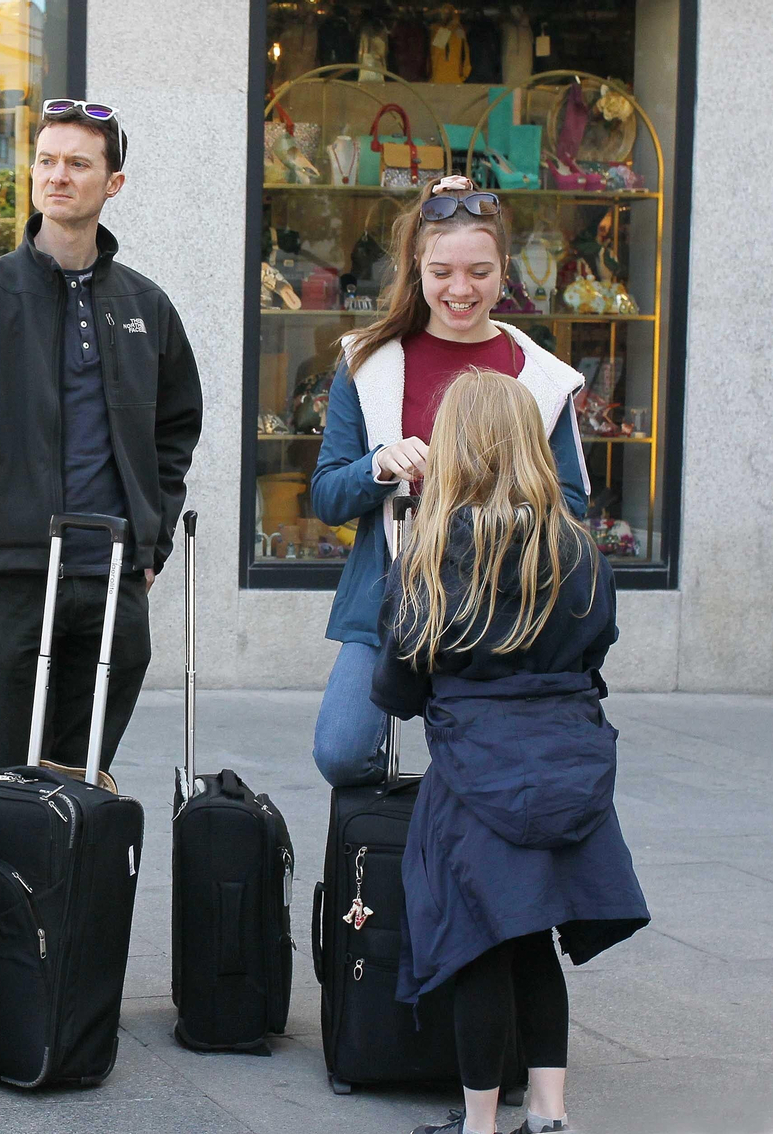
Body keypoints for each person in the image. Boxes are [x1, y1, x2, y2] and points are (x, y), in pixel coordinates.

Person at [371, 367, 649, 1134]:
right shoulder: (581, 552)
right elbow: (595, 651)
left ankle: (481, 1124)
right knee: (533, 944)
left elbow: (396, 688)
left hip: (475, 778)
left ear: (455, 448)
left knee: (479, 948)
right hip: (568, 768)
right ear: (532, 444)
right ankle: (550, 1116)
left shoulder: (428, 556)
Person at [0, 100, 203, 774]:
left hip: (111, 569)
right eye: (46, 161)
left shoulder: (146, 306)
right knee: (2, 770)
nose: (57, 175)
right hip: (11, 565)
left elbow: (175, 430)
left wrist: (150, 541)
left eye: (77, 164)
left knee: (83, 772)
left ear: (113, 183)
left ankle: (75, 847)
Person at [310, 174, 589, 788]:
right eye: (442, 272)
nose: (461, 290)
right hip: (388, 594)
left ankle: (448, 828)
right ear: (417, 268)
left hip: (502, 601)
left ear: (505, 270)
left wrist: (500, 491)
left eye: (479, 272)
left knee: (484, 764)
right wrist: (379, 465)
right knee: (341, 752)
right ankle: (406, 832)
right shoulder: (367, 363)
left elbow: (571, 506)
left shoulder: (542, 376)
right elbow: (327, 495)